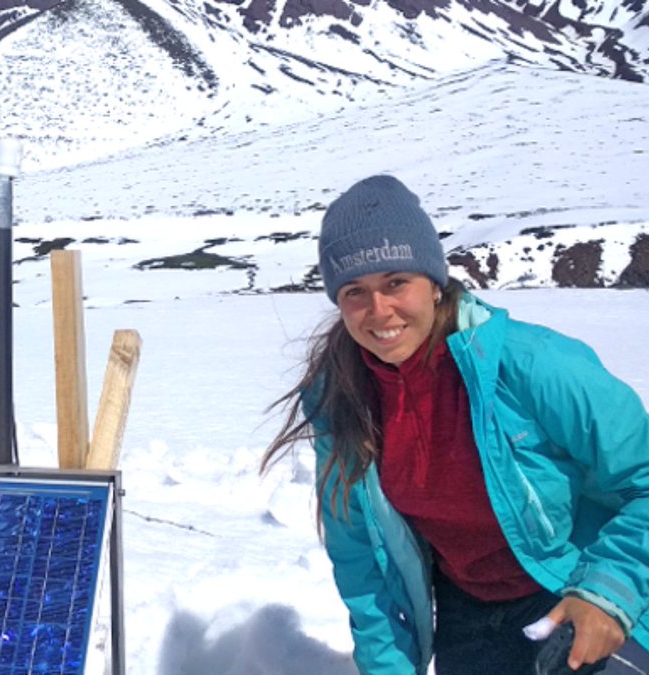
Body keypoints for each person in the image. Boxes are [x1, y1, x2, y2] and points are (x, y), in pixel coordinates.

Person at [262, 175, 649, 674]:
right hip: (467, 618)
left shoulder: (532, 364)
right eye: (355, 291)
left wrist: (605, 593)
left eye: (396, 282)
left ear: (435, 282)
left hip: (576, 591)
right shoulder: (342, 400)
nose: (379, 311)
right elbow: (362, 562)